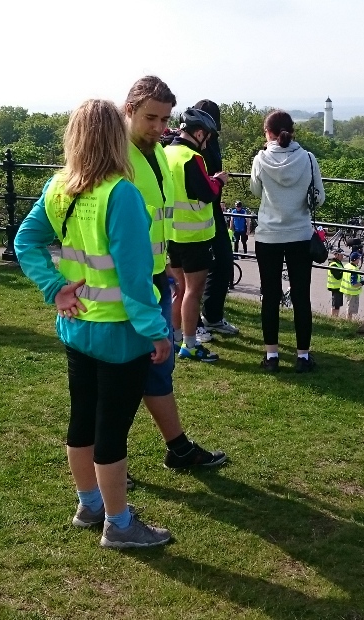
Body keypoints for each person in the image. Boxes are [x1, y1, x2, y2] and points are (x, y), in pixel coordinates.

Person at [14, 98, 174, 549]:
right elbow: (135, 276)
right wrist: (156, 331)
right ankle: (119, 524)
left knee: (82, 417)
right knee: (112, 430)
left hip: (77, 326)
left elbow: (26, 241)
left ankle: (89, 504)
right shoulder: (121, 193)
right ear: (116, 136)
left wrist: (55, 288)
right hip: (120, 333)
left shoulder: (59, 186)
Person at [121, 76, 228, 474]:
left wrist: (163, 262)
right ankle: (108, 465)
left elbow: (157, 214)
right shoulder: (118, 155)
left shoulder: (160, 153)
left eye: (165, 119)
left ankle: (178, 447)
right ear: (128, 111)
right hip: (127, 281)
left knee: (157, 366)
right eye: (151, 118)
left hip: (156, 273)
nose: (159, 127)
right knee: (124, 374)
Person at [249, 109, 324, 373]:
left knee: (270, 296)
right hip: (299, 234)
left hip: (269, 234)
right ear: (292, 131)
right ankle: (303, 357)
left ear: (268, 133)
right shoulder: (308, 159)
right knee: (301, 296)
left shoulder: (261, 159)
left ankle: (272, 356)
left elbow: (255, 191)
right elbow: (319, 197)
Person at [165, 108, 229, 361]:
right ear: (200, 133)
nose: (208, 142)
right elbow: (207, 193)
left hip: (172, 232)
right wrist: (219, 180)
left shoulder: (166, 152)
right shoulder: (192, 157)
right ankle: (190, 345)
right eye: (208, 137)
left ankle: (175, 336)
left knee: (180, 290)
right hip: (195, 235)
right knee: (193, 291)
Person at [191, 99, 239, 339]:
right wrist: (216, 182)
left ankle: (212, 316)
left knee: (223, 260)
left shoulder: (211, 141)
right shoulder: (192, 146)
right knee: (195, 268)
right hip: (195, 211)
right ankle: (195, 323)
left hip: (211, 207)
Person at [326, 248, 348, 317]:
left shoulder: (338, 263)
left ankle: (335, 317)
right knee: (335, 305)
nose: (342, 257)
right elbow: (337, 276)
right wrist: (345, 271)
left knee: (337, 305)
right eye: (341, 255)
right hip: (335, 287)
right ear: (337, 255)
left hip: (339, 287)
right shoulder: (333, 264)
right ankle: (333, 318)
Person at [342, 251, 364, 318]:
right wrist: (361, 283)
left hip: (347, 290)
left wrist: (360, 279)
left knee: (349, 306)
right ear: (355, 260)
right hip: (352, 291)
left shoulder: (347, 265)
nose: (359, 260)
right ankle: (348, 321)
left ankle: (348, 320)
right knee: (350, 309)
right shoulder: (353, 269)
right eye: (358, 258)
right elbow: (354, 283)